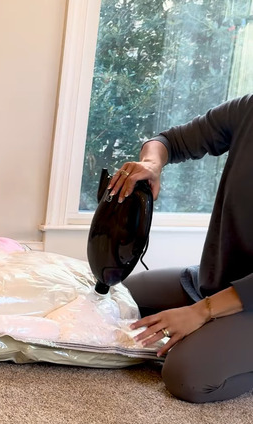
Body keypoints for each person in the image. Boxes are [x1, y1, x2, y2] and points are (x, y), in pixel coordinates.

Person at [106, 94, 253, 403]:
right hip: (218, 280)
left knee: (186, 376)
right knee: (119, 297)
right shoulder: (248, 109)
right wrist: (151, 164)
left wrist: (202, 312)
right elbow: (168, 141)